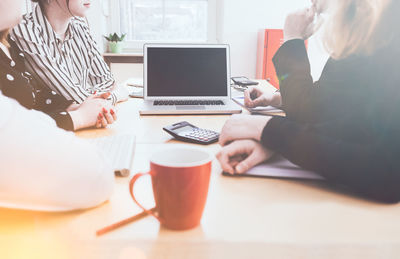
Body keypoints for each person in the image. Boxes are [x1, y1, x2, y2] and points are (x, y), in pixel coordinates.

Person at [217, 0, 400, 203]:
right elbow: (339, 113)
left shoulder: (390, 31)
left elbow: (387, 173)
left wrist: (269, 130)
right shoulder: (368, 28)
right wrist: (275, 140)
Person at [0, 0, 114, 210]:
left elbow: (37, 99)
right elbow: (96, 178)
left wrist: (80, 107)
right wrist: (78, 115)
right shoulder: (25, 32)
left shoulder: (7, 46)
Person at [10, 0, 128, 107]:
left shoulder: (80, 26)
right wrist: (115, 96)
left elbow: (107, 81)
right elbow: (73, 97)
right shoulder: (24, 29)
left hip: (89, 123)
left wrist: (96, 98)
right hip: (54, 126)